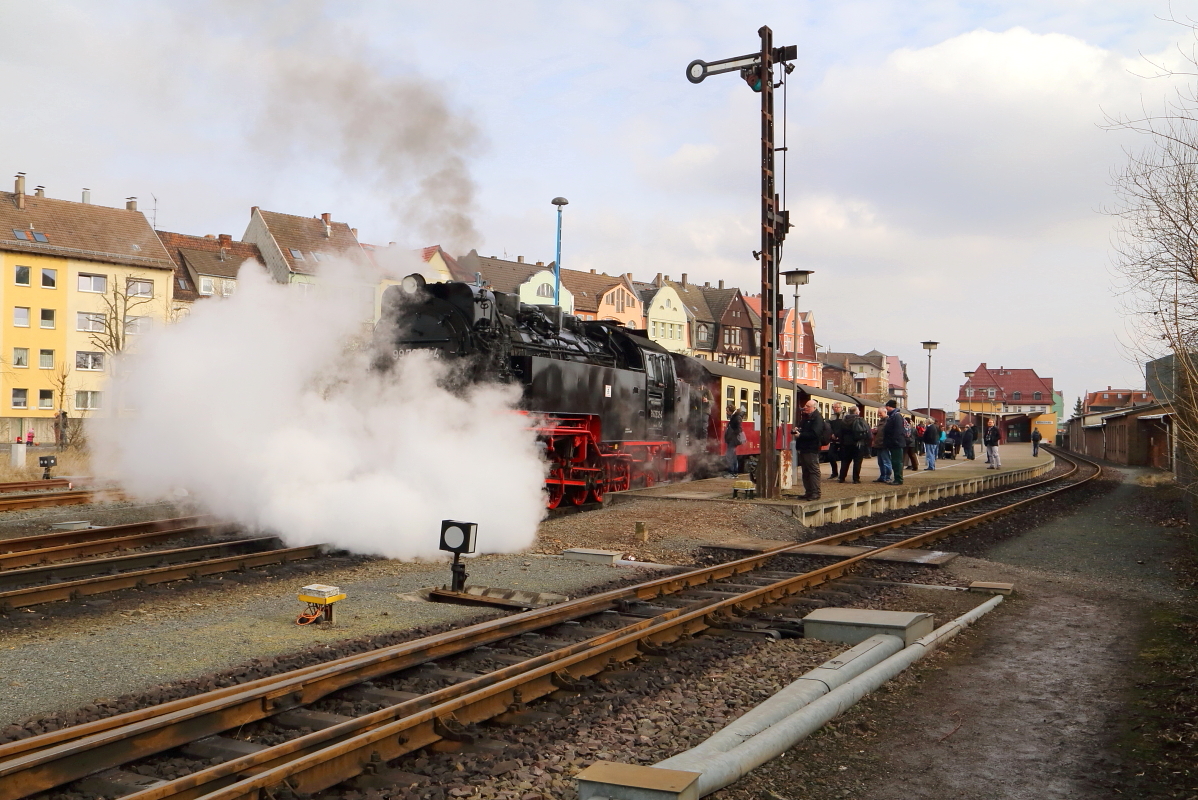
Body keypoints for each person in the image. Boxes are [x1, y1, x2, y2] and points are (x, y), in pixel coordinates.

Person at [794, 399, 826, 500]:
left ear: (814, 408)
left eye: (808, 406)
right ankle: (808, 492)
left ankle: (815, 492)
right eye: (805, 406)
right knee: (806, 471)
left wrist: (801, 435)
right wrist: (797, 430)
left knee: (813, 470)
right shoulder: (806, 417)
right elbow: (804, 429)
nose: (805, 408)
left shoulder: (817, 418)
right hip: (804, 447)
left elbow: (815, 434)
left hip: (811, 448)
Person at [837, 404, 870, 483]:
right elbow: (867, 433)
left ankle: (842, 478)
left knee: (845, 461)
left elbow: (840, 433)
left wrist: (842, 443)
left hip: (846, 444)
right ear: (856, 412)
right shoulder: (860, 420)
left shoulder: (843, 421)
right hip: (858, 444)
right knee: (857, 462)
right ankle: (856, 479)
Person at [882, 400, 907, 485]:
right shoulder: (893, 416)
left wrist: (894, 441)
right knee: (895, 461)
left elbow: (898, 430)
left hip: (896, 443)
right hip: (894, 443)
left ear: (889, 406)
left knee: (897, 461)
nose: (886, 408)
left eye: (887, 407)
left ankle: (898, 479)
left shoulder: (896, 416)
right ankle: (897, 478)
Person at [724, 403, 744, 478]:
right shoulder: (734, 417)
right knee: (733, 456)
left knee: (730, 456)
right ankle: (734, 472)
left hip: (733, 440)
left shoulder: (736, 418)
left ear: (731, 411)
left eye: (727, 411)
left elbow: (738, 429)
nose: (726, 412)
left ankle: (732, 472)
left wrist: (732, 434)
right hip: (732, 440)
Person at [826, 403, 845, 479]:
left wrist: (837, 434)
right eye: (834, 407)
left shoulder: (845, 416)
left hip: (842, 439)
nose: (835, 409)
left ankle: (842, 474)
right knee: (830, 456)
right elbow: (828, 427)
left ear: (841, 408)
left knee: (843, 457)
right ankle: (834, 472)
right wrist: (831, 434)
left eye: (837, 407)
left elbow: (843, 428)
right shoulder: (832, 417)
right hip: (833, 440)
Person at [871, 417, 892, 483]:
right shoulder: (879, 421)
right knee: (880, 462)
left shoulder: (888, 421)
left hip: (884, 444)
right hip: (878, 444)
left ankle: (887, 477)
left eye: (880, 413)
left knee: (886, 461)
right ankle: (882, 476)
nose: (879, 414)